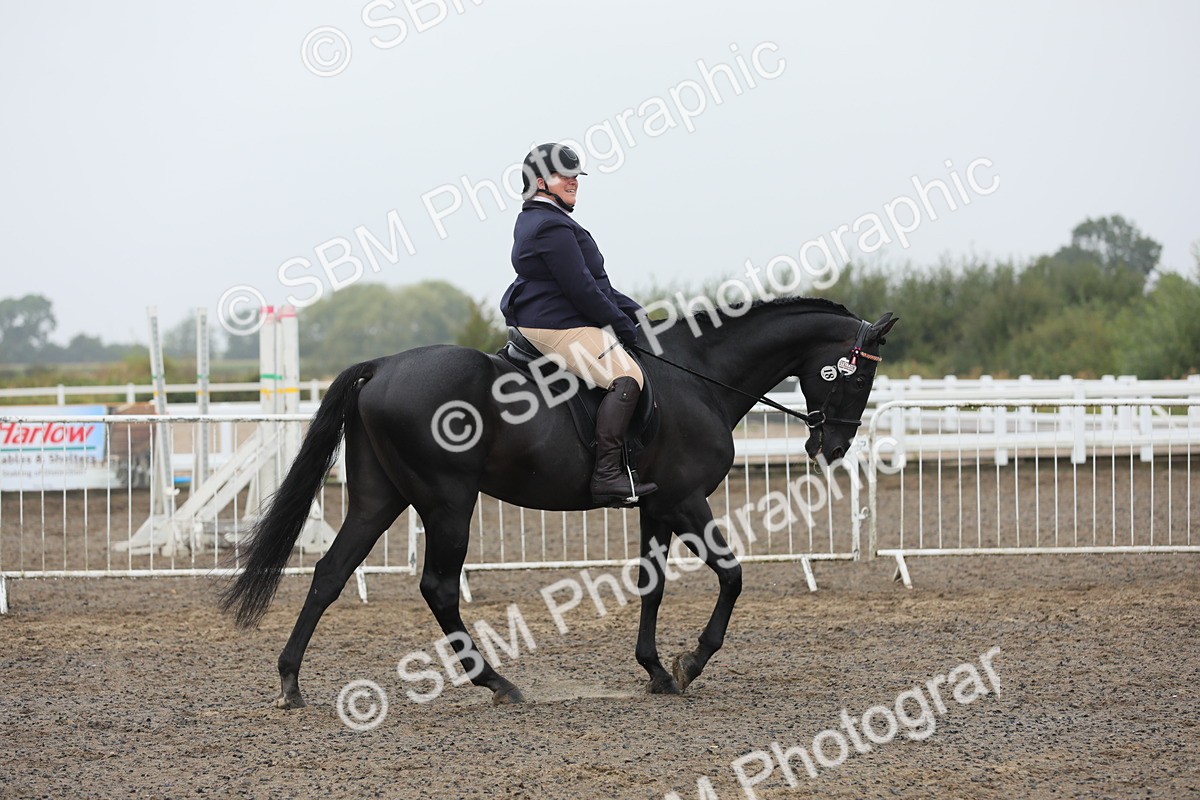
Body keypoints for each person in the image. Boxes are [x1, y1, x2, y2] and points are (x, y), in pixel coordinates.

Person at [500, 142, 658, 506]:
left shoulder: (546, 220)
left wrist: (638, 315)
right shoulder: (549, 226)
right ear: (540, 182)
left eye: (575, 176)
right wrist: (622, 326)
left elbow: (598, 286)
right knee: (627, 377)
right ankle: (607, 475)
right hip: (557, 325)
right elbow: (582, 290)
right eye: (563, 176)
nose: (573, 182)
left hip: (556, 317)